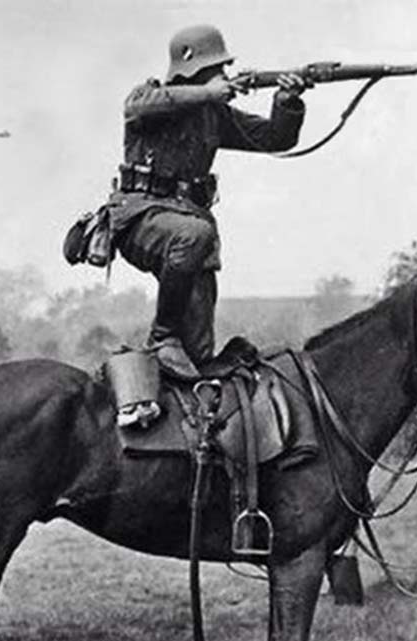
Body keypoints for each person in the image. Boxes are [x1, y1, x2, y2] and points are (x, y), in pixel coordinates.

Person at [107, 24, 310, 425]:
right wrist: (208, 93)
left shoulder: (212, 115)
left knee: (198, 356)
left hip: (189, 234)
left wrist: (287, 101)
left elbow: (273, 138)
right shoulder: (151, 97)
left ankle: (167, 421)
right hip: (140, 217)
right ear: (191, 70)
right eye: (215, 68)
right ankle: (161, 337)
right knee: (195, 235)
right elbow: (137, 106)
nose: (222, 74)